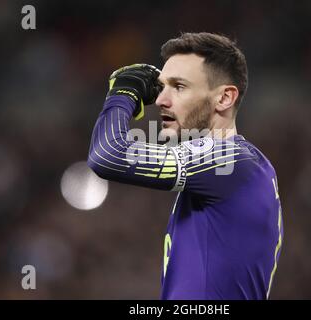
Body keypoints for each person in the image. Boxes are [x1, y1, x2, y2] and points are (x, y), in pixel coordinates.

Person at [87, 32, 283, 300]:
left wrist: (122, 95)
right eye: (162, 87)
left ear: (224, 98)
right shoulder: (234, 170)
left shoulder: (230, 160)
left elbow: (108, 155)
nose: (160, 101)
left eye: (179, 87)